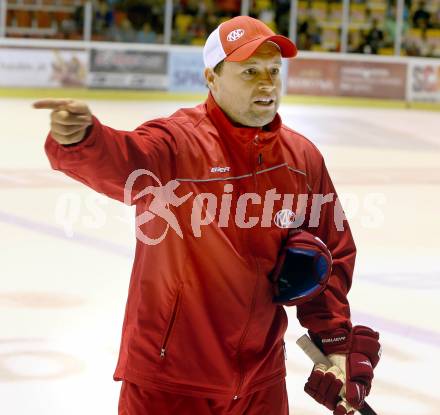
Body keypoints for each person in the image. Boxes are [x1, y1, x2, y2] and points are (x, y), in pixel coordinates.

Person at [34, 16, 381, 415]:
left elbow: (330, 253)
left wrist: (336, 344)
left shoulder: (302, 160)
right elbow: (125, 157)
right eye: (249, 72)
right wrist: (82, 139)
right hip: (169, 382)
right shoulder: (176, 143)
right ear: (211, 79)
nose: (266, 82)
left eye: (273, 71)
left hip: (259, 382)